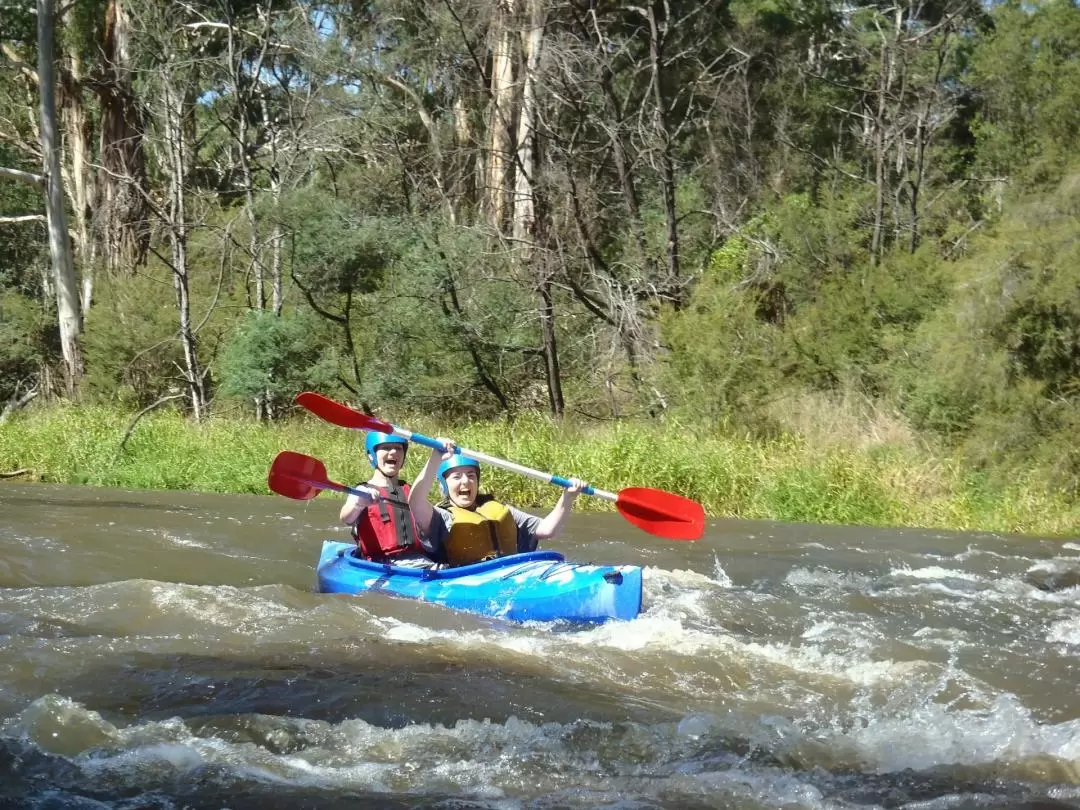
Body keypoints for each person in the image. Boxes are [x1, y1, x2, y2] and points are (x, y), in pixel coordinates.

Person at [408, 440, 586, 567]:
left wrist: (567, 497)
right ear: (444, 485)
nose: (465, 482)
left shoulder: (500, 509)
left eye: (471, 475)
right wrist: (436, 457)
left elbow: (548, 529)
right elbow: (415, 502)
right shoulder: (442, 517)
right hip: (468, 581)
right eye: (456, 477)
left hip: (513, 573)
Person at [339, 431, 432, 566]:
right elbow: (346, 518)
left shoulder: (411, 490)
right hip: (380, 566)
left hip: (420, 561)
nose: (393, 452)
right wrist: (359, 504)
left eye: (398, 448)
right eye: (386, 447)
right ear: (372, 455)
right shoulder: (362, 491)